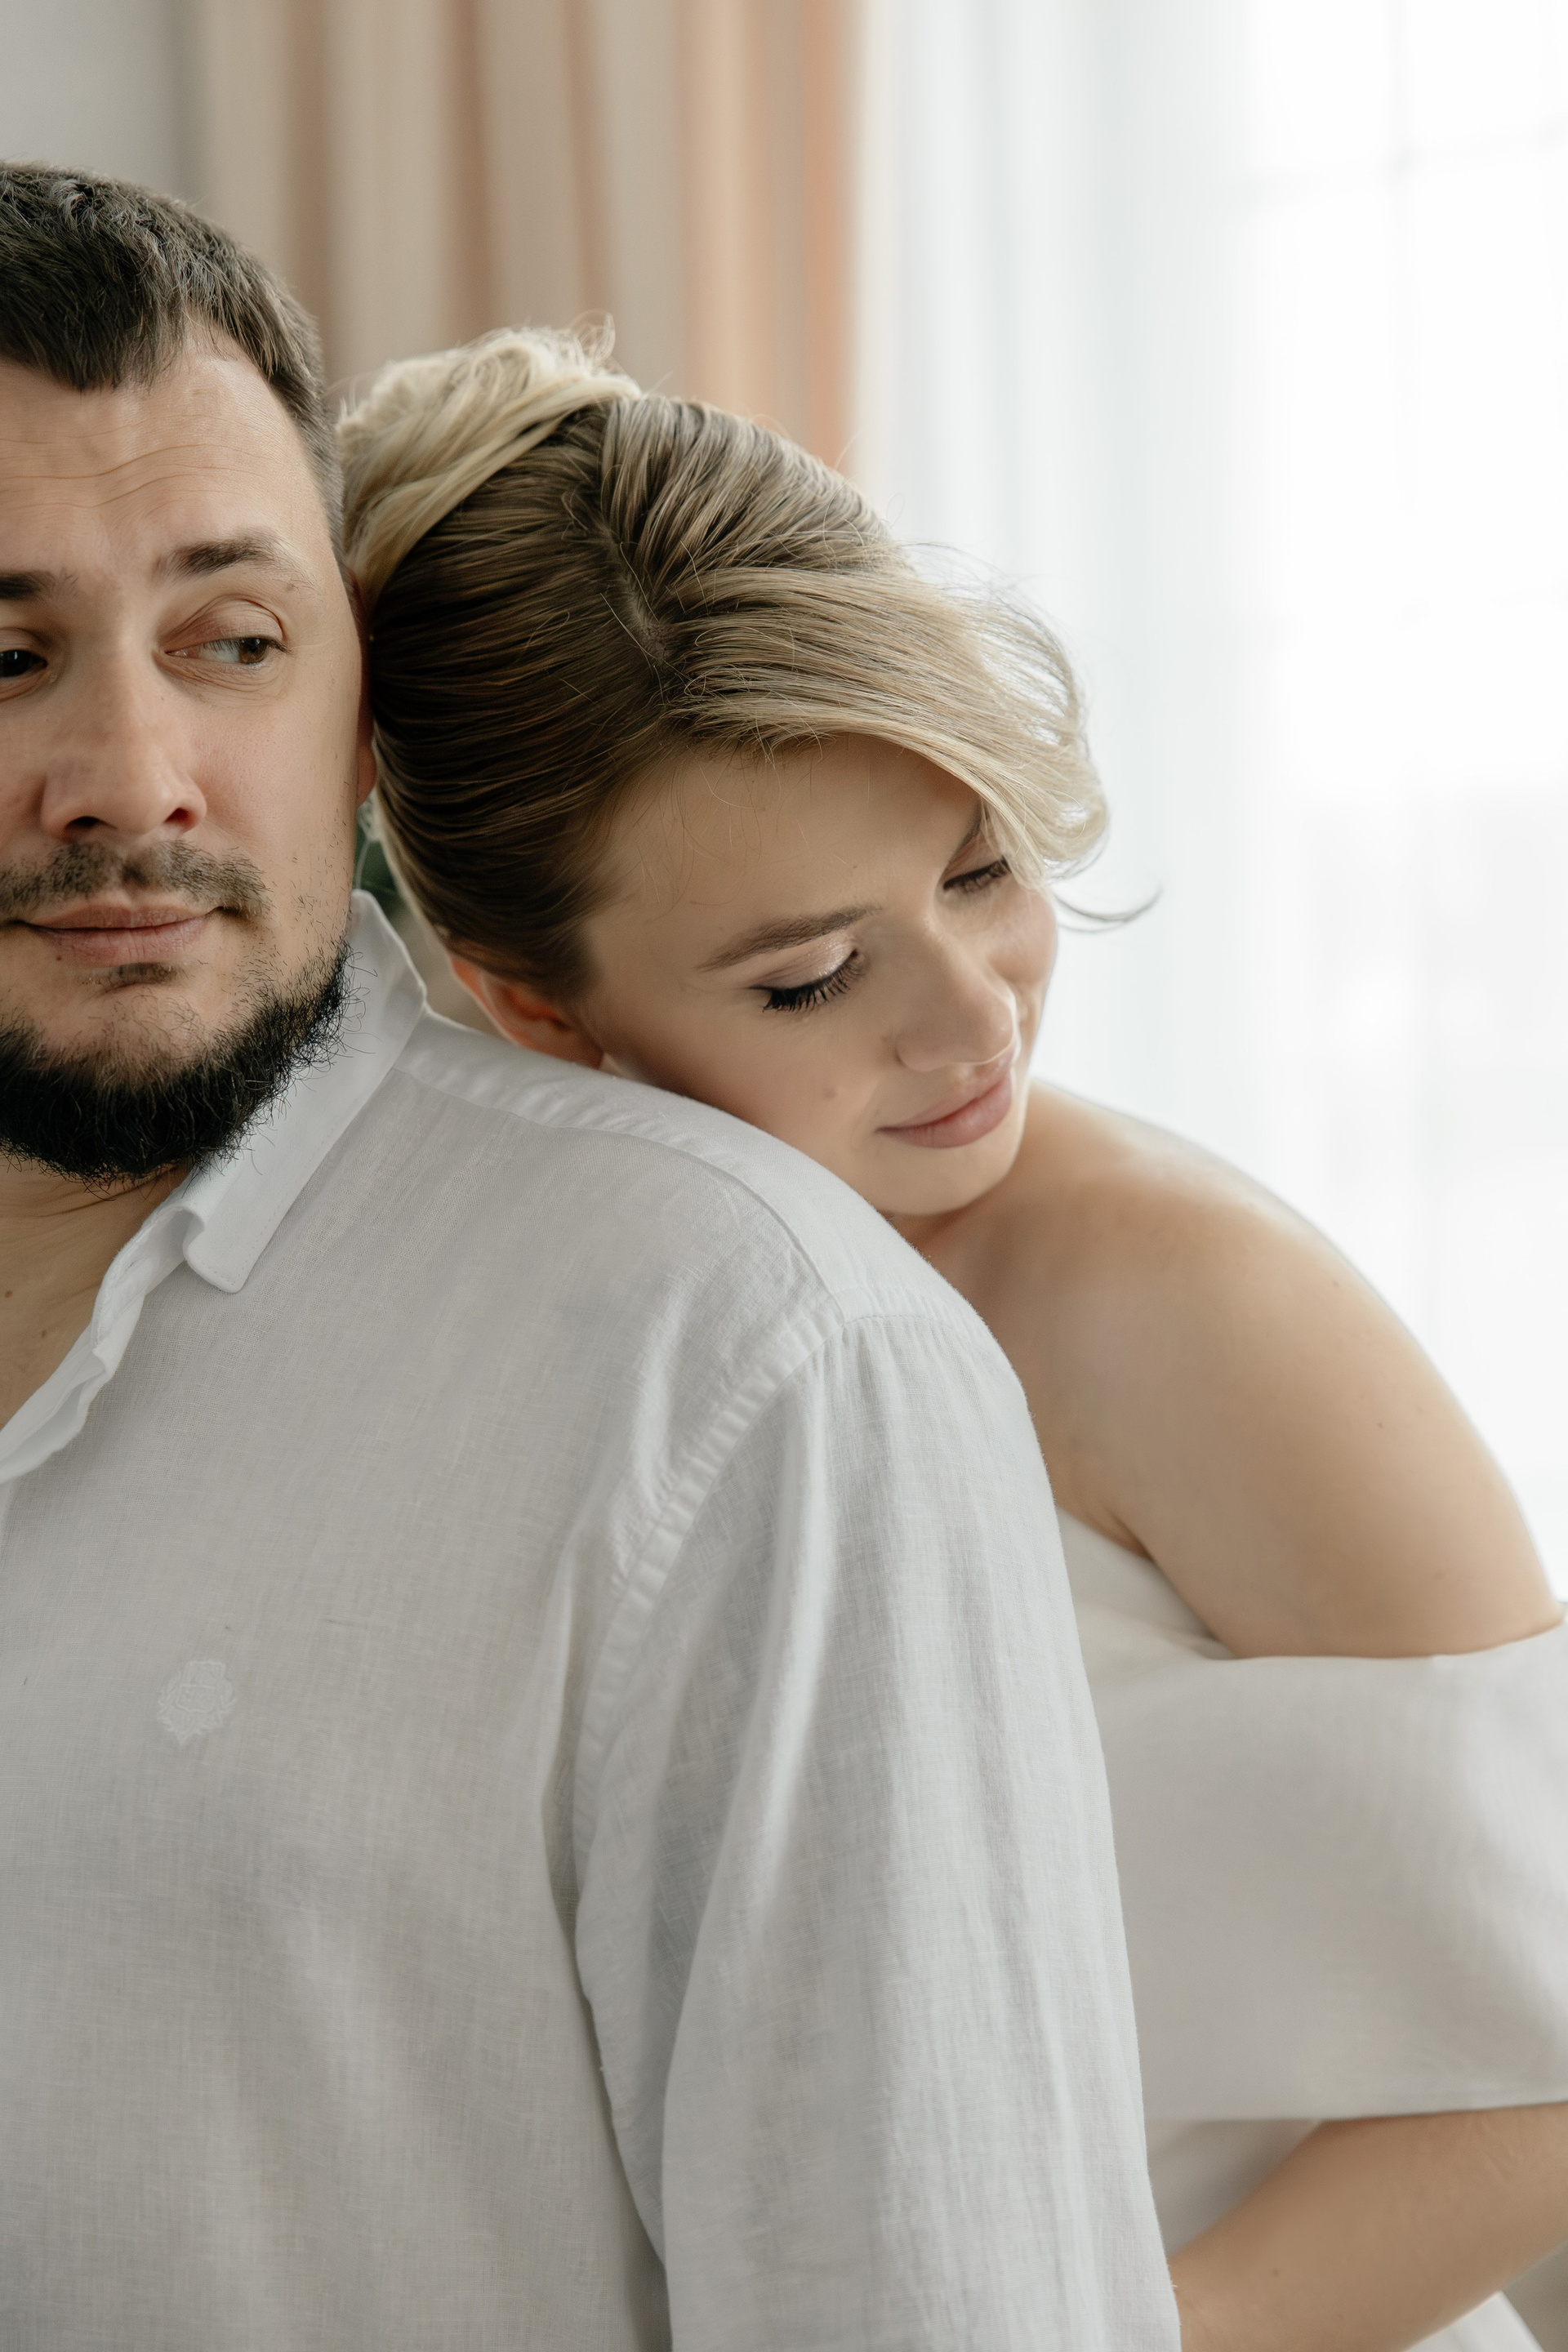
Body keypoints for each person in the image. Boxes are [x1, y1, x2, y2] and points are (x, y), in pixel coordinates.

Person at [0, 166, 1182, 2350]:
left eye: (233, 642)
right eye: (6, 657)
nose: (131, 779)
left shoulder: (747, 1357)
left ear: (351, 704)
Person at [339, 323, 1568, 2352]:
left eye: (980, 866)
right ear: (533, 1005)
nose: (976, 1014)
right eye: (816, 977)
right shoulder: (506, 1323)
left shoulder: (1179, 1299)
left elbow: (1549, 2034)